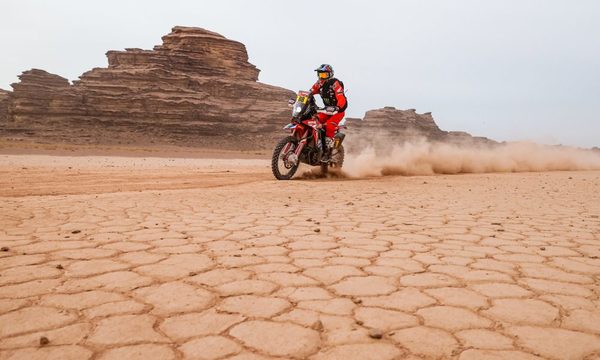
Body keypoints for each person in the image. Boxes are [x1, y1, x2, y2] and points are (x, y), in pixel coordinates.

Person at [310, 64, 348, 162]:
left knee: (329, 126)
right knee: (313, 121)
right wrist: (302, 98)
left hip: (338, 111)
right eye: (320, 74)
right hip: (326, 110)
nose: (321, 77)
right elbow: (310, 92)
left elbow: (341, 97)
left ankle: (327, 151)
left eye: (324, 75)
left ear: (330, 74)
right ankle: (313, 144)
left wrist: (338, 107)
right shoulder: (318, 84)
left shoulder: (335, 83)